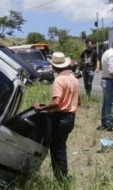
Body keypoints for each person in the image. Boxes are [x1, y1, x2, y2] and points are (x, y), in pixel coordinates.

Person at [33, 51, 80, 180]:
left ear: (54, 66)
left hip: (61, 118)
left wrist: (40, 108)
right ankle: (62, 177)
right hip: (71, 118)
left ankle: (61, 179)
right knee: (61, 147)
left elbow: (56, 103)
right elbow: (78, 101)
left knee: (57, 150)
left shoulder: (59, 80)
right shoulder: (74, 79)